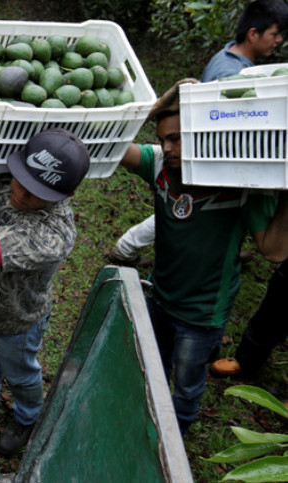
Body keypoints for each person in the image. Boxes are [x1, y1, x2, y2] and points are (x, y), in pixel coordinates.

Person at [118, 79, 288, 435]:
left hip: (202, 314)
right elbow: (113, 146)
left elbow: (274, 250)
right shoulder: (160, 166)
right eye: (164, 138)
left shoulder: (242, 186)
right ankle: (151, 418)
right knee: (154, 366)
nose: (168, 147)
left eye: (177, 138)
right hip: (161, 297)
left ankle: (177, 432)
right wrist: (163, 101)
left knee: (189, 381)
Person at [0, 97, 90, 456]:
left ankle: (27, 418)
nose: (18, 192)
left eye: (36, 192)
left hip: (18, 319)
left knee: (21, 373)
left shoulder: (53, 235)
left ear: (66, 195)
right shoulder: (11, 178)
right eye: (20, 179)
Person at [109, 0, 288, 265]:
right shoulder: (232, 72)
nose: (279, 40)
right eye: (275, 34)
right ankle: (127, 247)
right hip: (211, 166)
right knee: (183, 207)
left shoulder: (231, 59)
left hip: (208, 170)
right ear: (253, 34)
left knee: (183, 209)